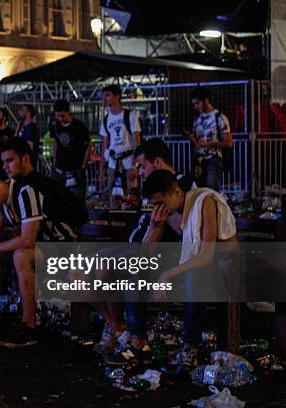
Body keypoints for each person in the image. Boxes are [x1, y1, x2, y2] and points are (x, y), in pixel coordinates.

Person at [0, 139, 78, 347]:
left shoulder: (24, 192)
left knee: (19, 255)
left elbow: (28, 239)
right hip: (40, 246)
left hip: (62, 245)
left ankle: (29, 325)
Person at [100, 139, 195, 365]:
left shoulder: (181, 186)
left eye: (142, 166)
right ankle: (115, 326)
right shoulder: (151, 188)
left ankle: (134, 338)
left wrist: (159, 220)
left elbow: (185, 229)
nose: (139, 172)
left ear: (158, 162)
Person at [142, 169, 237, 368]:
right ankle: (135, 337)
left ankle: (190, 345)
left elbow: (206, 254)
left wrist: (167, 274)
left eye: (161, 203)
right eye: (154, 205)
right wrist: (154, 226)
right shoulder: (167, 213)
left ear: (176, 192)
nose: (159, 208)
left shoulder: (204, 201)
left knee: (193, 274)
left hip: (223, 261)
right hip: (198, 262)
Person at [99, 85, 141, 204]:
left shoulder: (130, 116)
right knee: (113, 199)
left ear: (117, 97)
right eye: (103, 96)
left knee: (130, 198)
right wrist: (102, 168)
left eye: (108, 95)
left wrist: (135, 165)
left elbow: (137, 141)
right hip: (113, 164)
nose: (104, 99)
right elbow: (105, 145)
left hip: (128, 163)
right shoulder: (106, 120)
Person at [185, 87, 233, 191]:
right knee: (199, 190)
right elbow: (198, 139)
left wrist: (208, 144)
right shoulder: (197, 118)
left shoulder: (219, 117)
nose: (195, 107)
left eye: (197, 103)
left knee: (211, 191)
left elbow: (229, 143)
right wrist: (192, 138)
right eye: (194, 104)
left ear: (206, 100)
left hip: (213, 159)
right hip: (198, 160)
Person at [51, 99, 92, 206]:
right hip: (60, 167)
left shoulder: (79, 126)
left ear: (68, 112)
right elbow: (55, 142)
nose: (60, 119)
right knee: (57, 197)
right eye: (58, 116)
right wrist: (55, 161)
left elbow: (88, 144)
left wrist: (83, 164)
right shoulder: (54, 125)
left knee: (77, 199)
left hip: (76, 167)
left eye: (62, 116)